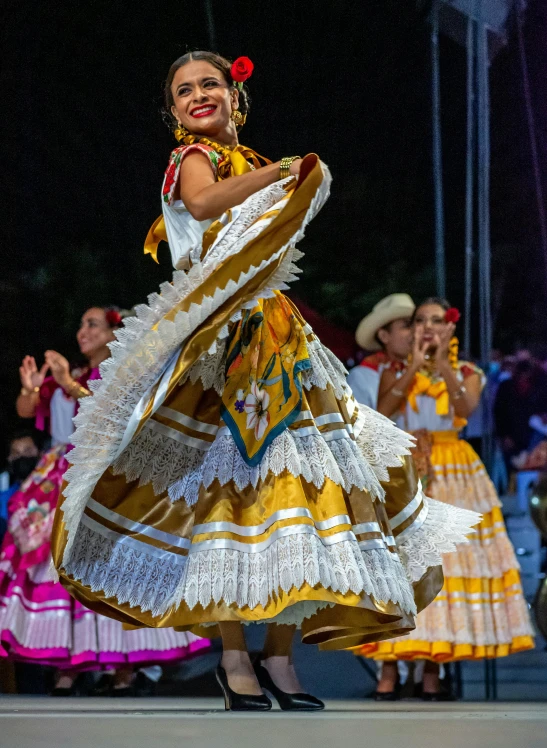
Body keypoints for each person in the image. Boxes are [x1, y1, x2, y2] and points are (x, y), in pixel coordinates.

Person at [51, 51, 479, 711]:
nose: (199, 96)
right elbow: (200, 203)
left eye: (210, 84)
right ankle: (233, 658)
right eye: (185, 90)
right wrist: (280, 175)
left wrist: (283, 175)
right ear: (172, 114)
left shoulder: (254, 163)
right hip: (219, 343)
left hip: (281, 342)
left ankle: (279, 660)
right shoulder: (197, 160)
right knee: (225, 495)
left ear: (234, 96)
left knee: (300, 499)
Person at [0, 306, 207, 696]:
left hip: (99, 467)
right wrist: (31, 387)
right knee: (56, 562)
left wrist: (66, 383)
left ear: (115, 333)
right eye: (80, 324)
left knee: (103, 560)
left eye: (92, 324)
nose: (82, 331)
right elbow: (27, 411)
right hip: (57, 470)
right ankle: (70, 667)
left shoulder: (120, 371)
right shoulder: (73, 373)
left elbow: (113, 413)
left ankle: (122, 669)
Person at [356, 297, 534, 699]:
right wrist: (415, 367)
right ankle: (391, 664)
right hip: (404, 464)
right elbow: (383, 410)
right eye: (420, 320)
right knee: (401, 565)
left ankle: (433, 670)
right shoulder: (391, 369)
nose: (427, 327)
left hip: (454, 468)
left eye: (436, 320)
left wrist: (440, 368)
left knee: (446, 570)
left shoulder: (466, 371)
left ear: (450, 328)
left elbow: (466, 408)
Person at [347, 294, 415, 408]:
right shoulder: (361, 376)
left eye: (415, 325)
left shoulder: (427, 371)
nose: (415, 332)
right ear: (384, 336)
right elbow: (358, 424)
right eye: (407, 325)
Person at [494, 359, 547, 473]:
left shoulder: (541, 386)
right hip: (512, 435)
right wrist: (504, 435)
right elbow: (499, 412)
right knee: (513, 469)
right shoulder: (506, 387)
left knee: (535, 469)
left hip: (535, 435)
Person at [0, 429, 42, 541]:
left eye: (28, 451)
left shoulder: (54, 490)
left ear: (40, 454)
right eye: (16, 453)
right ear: (10, 459)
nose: (22, 456)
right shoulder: (4, 499)